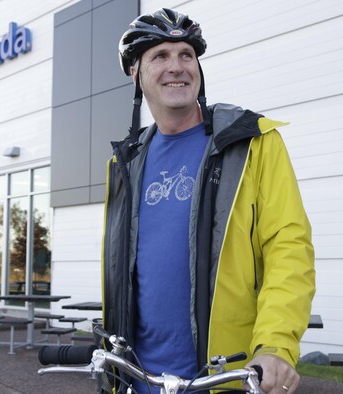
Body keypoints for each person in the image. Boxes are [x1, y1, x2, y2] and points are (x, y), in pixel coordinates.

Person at [101, 8, 316, 394]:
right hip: (138, 381)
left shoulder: (250, 142)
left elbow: (289, 247)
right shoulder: (124, 164)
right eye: (160, 56)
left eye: (186, 54)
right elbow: (121, 271)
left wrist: (276, 346)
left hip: (227, 377)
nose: (177, 66)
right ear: (136, 74)